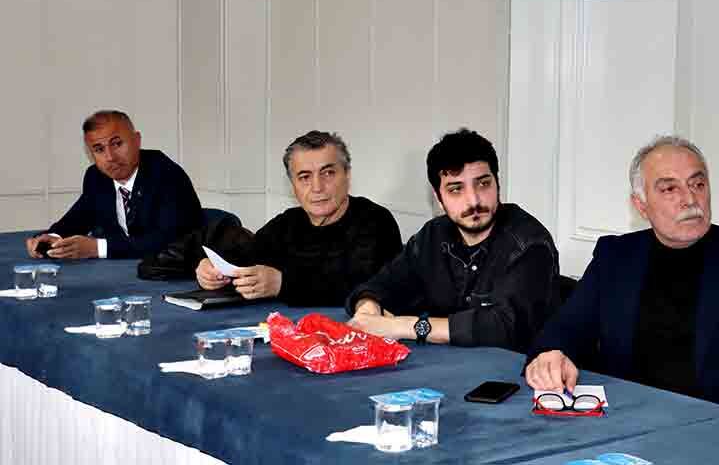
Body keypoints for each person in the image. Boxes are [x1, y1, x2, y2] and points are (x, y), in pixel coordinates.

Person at [525, 135, 719, 424]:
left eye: (698, 185)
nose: (690, 200)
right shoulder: (616, 257)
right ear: (641, 205)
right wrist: (552, 354)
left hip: (718, 432)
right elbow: (566, 328)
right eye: (670, 189)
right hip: (625, 425)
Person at [346, 128, 560, 353]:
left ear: (497, 183)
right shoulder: (434, 234)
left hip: (516, 368)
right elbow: (382, 284)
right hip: (447, 363)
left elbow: (505, 328)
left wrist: (404, 326)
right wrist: (368, 308)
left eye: (483, 184)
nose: (473, 200)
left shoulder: (529, 243)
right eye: (456, 189)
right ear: (438, 198)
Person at [195, 130, 402, 305]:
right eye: (304, 177)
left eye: (328, 173)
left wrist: (282, 283)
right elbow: (246, 255)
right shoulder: (288, 222)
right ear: (293, 185)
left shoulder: (376, 221)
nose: (317, 187)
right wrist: (212, 269)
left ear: (347, 175)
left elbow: (364, 285)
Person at [25, 110, 203, 259]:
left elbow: (169, 240)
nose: (110, 157)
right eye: (99, 149)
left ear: (137, 140)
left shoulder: (166, 174)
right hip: (123, 273)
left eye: (117, 144)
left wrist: (97, 248)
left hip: (179, 273)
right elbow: (78, 217)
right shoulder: (96, 177)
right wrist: (52, 237)